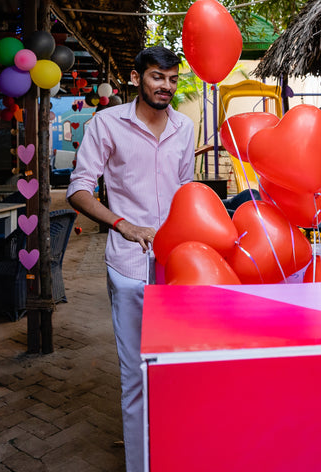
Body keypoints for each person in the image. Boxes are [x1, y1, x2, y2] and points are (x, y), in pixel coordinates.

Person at [67, 46, 194, 472]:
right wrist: (123, 225)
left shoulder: (185, 127)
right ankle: (141, 464)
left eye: (173, 79)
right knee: (138, 373)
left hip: (179, 267)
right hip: (129, 266)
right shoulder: (107, 124)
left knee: (178, 366)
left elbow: (186, 191)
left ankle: (177, 451)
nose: (167, 86)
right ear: (138, 77)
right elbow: (79, 188)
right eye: (158, 77)